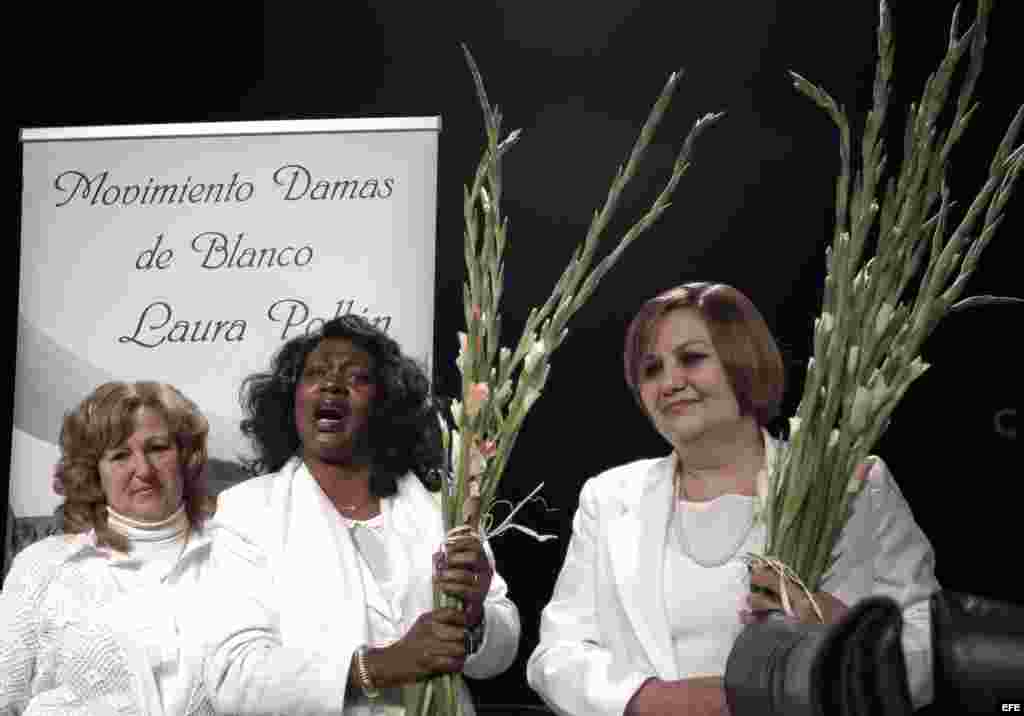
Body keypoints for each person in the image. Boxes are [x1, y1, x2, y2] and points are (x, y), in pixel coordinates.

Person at [526, 282, 938, 716]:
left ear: (746, 360)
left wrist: (838, 627)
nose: (670, 382)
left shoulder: (852, 484)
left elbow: (930, 645)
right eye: (651, 369)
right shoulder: (607, 498)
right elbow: (556, 655)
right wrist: (654, 700)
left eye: (692, 358)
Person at [200, 314, 521, 714]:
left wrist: (475, 620)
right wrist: (381, 666)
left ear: (385, 404)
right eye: (315, 373)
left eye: (357, 378)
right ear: (292, 400)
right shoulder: (249, 511)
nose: (332, 384)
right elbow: (234, 677)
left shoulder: (443, 504)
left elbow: (500, 654)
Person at [0, 381, 217, 715]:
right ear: (93, 472)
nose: (143, 470)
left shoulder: (233, 555)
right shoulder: (41, 567)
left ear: (186, 455)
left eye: (158, 448)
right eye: (119, 455)